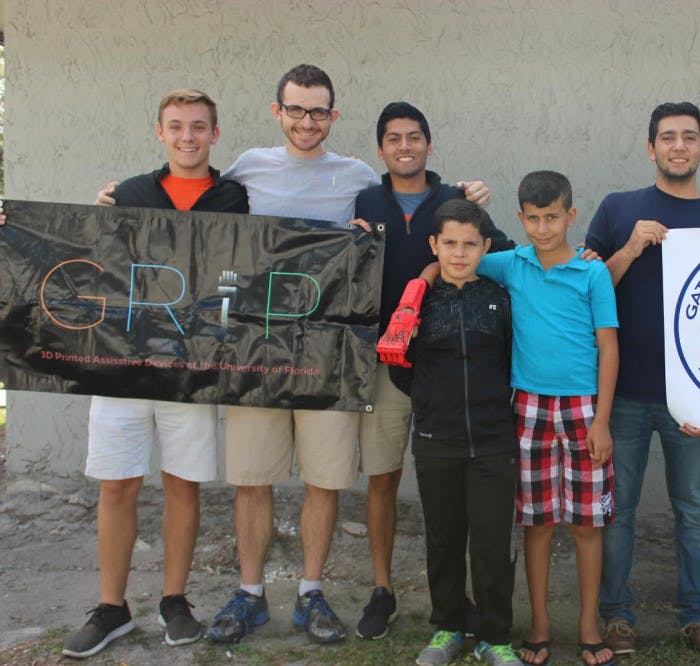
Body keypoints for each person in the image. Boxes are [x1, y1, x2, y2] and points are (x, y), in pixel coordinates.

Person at [94, 66, 491, 646]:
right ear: (277, 112)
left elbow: (411, 200)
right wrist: (110, 202)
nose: (307, 122)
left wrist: (466, 192)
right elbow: (190, 218)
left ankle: (311, 593)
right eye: (296, 110)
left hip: (329, 352)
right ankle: (250, 594)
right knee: (252, 477)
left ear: (333, 117)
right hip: (255, 349)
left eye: (318, 112)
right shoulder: (245, 172)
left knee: (325, 479)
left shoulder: (357, 178)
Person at [60, 89, 249, 658]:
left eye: (198, 127)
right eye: (176, 126)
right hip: (123, 363)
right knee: (117, 484)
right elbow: (92, 263)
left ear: (215, 135)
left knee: (181, 484)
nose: (187, 136)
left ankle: (175, 600)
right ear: (159, 132)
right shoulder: (129, 195)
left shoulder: (234, 199)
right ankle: (111, 608)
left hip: (190, 369)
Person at [585, 102, 700, 659]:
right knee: (618, 509)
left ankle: (699, 616)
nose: (679, 146)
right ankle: (617, 617)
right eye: (668, 138)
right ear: (651, 148)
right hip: (623, 390)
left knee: (695, 511)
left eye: (690, 138)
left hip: (695, 401)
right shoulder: (618, 209)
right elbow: (587, 289)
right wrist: (629, 247)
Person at [351, 101, 513, 640]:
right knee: (383, 477)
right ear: (381, 149)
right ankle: (383, 591)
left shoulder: (456, 201)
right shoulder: (364, 201)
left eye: (414, 137)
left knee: (462, 510)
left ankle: (477, 617)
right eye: (394, 138)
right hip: (387, 364)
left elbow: (509, 259)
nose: (404, 146)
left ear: (428, 145)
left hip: (454, 376)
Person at [477, 171, 619, 666]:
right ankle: (539, 624)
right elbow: (456, 256)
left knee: (586, 524)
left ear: (570, 216)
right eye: (533, 219)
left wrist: (601, 421)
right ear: (520, 218)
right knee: (536, 523)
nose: (542, 229)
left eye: (552, 217)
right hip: (529, 406)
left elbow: (608, 346)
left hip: (583, 407)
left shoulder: (591, 272)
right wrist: (425, 278)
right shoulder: (511, 264)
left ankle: (587, 625)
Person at [403, 199, 520, 666]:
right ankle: (448, 627)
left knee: (491, 542)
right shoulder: (419, 302)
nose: (458, 252)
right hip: (437, 440)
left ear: (486, 246)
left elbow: (515, 359)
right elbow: (401, 369)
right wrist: (432, 404)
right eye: (449, 243)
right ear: (434, 245)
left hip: (494, 440)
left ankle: (496, 636)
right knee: (444, 538)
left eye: (470, 244)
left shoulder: (500, 298)